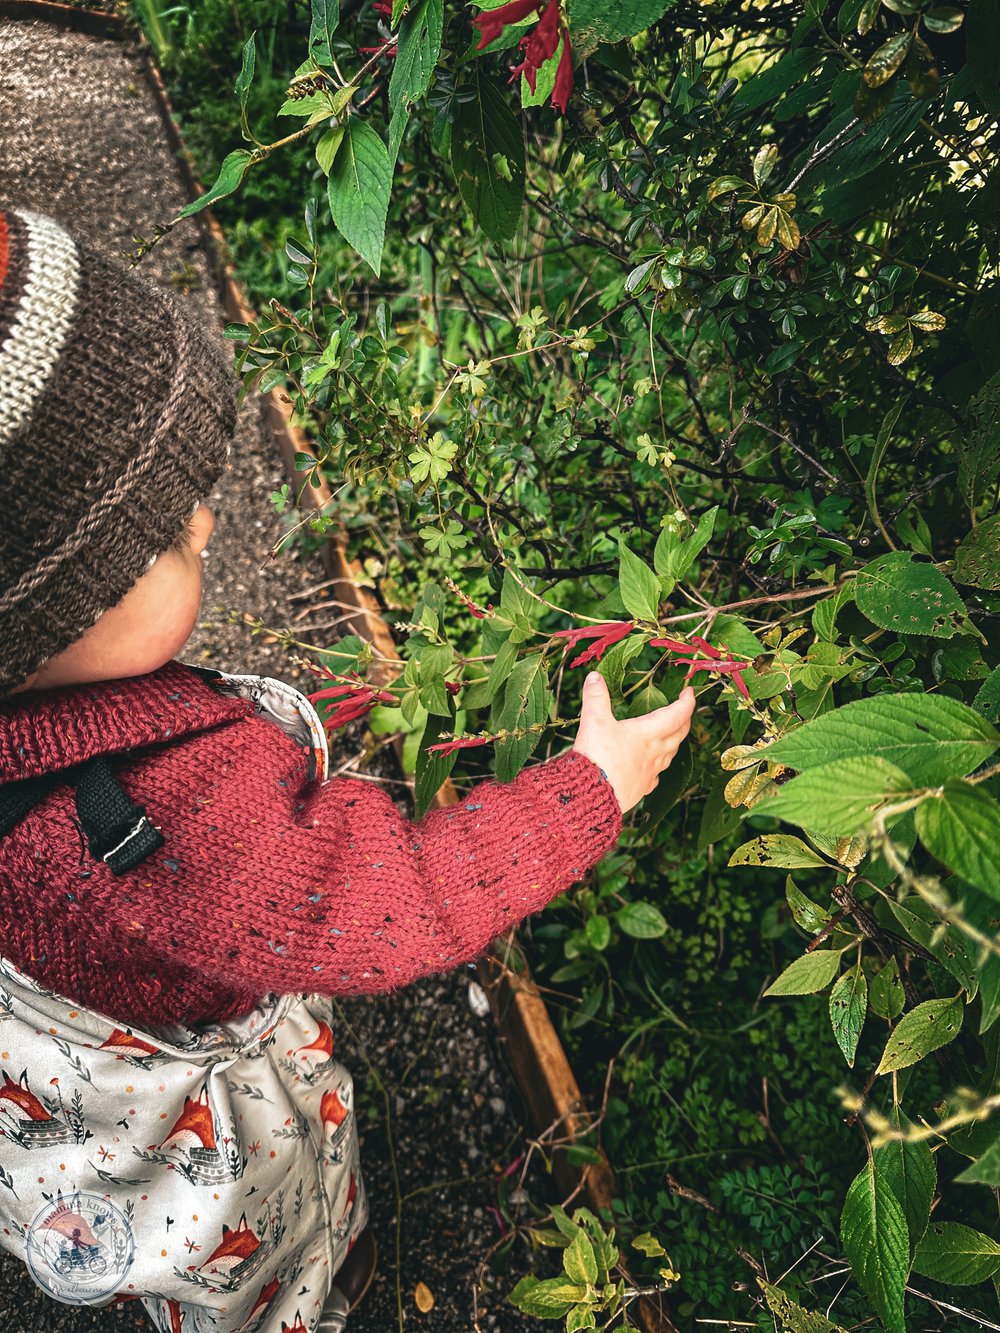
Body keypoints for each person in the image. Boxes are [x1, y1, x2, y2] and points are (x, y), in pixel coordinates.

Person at [0, 205, 695, 1332]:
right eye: (167, 539)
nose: (212, 525)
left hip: (73, 1034)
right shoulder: (165, 819)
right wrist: (590, 786)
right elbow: (386, 900)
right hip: (205, 1094)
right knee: (254, 1215)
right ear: (42, 613)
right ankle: (312, 1288)